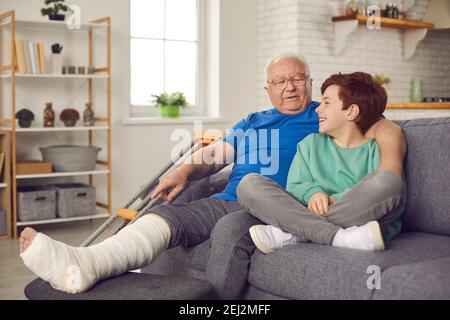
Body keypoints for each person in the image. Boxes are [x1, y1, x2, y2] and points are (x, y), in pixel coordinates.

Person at [19, 53, 406, 299]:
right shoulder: (254, 121)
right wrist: (185, 169)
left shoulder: (322, 116)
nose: (290, 87)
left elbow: (380, 126)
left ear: (308, 81)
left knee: (234, 224)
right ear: (269, 89)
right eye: (280, 81)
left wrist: (389, 164)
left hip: (275, 206)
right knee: (167, 213)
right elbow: (218, 154)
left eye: (298, 79)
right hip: (229, 197)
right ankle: (87, 263)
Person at [237, 72, 406, 255]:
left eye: (326, 102)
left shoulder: (374, 150)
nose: (318, 109)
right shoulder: (310, 144)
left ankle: (297, 232)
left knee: (389, 181)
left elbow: (386, 199)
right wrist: (312, 193)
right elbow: (296, 185)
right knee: (249, 184)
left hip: (356, 216)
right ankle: (338, 237)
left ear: (351, 111)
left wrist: (333, 200)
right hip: (320, 214)